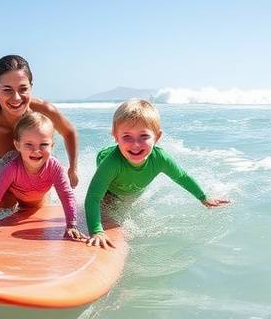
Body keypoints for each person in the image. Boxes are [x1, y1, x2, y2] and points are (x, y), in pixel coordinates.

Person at [85, 99, 230, 249]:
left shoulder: (161, 159)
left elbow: (182, 177)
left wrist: (203, 197)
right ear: (115, 136)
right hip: (111, 185)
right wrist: (96, 231)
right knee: (107, 205)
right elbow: (92, 198)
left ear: (157, 137)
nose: (136, 144)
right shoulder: (111, 164)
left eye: (144, 136)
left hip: (131, 185)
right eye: (126, 136)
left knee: (130, 200)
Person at [0, 55, 79, 223]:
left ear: (31, 87)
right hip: (2, 183)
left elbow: (69, 132)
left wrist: (73, 168)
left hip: (37, 182)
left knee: (34, 210)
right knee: (2, 211)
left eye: (23, 89)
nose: (16, 98)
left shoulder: (43, 110)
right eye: (7, 89)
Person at [0, 112, 86, 239]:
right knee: (2, 209)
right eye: (29, 144)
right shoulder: (11, 169)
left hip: (37, 195)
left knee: (34, 209)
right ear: (17, 145)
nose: (36, 150)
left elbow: (66, 195)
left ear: (52, 145)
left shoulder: (55, 168)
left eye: (43, 144)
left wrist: (71, 225)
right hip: (13, 191)